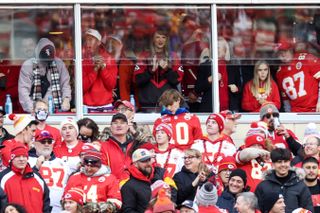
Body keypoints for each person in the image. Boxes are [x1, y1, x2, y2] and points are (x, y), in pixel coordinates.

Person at [134, 27, 184, 112]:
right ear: (153, 39)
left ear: (167, 40)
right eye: (157, 37)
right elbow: (137, 80)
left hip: (169, 104)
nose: (160, 40)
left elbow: (177, 80)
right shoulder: (144, 55)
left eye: (163, 37)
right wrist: (151, 71)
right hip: (147, 104)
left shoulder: (173, 56)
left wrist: (167, 69)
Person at [18, 37, 71, 113]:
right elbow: (23, 90)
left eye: (49, 60)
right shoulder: (28, 65)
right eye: (44, 61)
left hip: (55, 108)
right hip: (34, 109)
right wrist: (31, 109)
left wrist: (66, 98)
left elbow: (65, 84)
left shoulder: (59, 63)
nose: (46, 63)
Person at [255, 148, 313, 212]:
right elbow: (258, 209)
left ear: (290, 162)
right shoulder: (263, 186)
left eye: (285, 161)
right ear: (273, 164)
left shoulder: (300, 185)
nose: (283, 165)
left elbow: (308, 209)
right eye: (279, 162)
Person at [0, 144, 51, 213]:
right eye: (18, 156)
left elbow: (46, 201)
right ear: (12, 158)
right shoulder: (3, 177)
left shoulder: (37, 176)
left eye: (24, 156)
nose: (21, 159)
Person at [28, 130, 70, 213]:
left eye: (49, 141)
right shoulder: (27, 161)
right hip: (36, 206)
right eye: (43, 141)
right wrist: (36, 167)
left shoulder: (62, 163)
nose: (47, 144)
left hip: (59, 208)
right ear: (35, 143)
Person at [275, 41, 320, 112]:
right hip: (296, 112)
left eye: (285, 51)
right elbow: (286, 99)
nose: (283, 55)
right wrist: (289, 115)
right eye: (280, 53)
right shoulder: (279, 73)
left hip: (314, 109)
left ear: (291, 50)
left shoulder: (306, 59)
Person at [82, 28, 118, 112]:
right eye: (86, 40)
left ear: (98, 42)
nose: (88, 43)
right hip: (86, 106)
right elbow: (82, 87)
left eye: (91, 39)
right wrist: (95, 70)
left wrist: (103, 68)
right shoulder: (82, 60)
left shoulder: (109, 58)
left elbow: (111, 85)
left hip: (106, 106)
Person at [195, 37, 229, 112]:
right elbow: (197, 89)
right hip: (209, 108)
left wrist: (236, 89)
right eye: (214, 48)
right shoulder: (205, 65)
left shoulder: (232, 66)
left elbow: (239, 88)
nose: (216, 50)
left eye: (219, 48)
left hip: (228, 109)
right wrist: (209, 80)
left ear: (225, 50)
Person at [100, 113, 134, 179]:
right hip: (112, 186)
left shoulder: (135, 145)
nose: (119, 125)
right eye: (115, 123)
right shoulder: (103, 146)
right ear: (111, 128)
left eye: (122, 123)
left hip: (133, 186)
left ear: (127, 127)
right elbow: (102, 169)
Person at [120, 148, 155, 213]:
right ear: (135, 164)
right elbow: (127, 210)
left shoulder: (158, 178)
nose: (148, 163)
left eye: (149, 160)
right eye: (144, 161)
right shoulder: (128, 186)